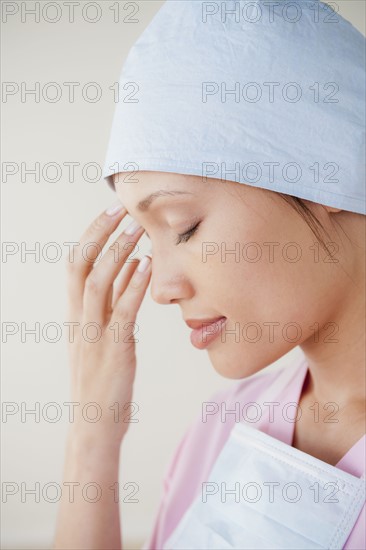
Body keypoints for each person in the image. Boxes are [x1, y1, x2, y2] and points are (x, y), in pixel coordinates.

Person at [53, 0, 365, 548]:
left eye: (185, 225)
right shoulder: (222, 425)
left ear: (329, 172)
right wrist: (92, 437)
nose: (162, 289)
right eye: (149, 239)